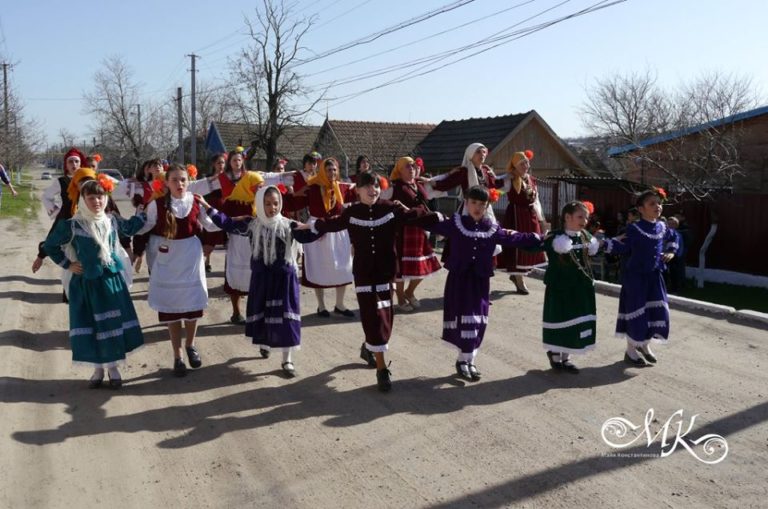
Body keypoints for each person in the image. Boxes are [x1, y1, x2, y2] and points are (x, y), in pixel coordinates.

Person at [298, 171, 440, 392]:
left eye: (375, 186)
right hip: (363, 272)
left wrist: (433, 216)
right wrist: (310, 227)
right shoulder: (351, 212)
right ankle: (381, 370)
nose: (372, 190)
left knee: (384, 315)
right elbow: (332, 224)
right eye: (367, 187)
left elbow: (416, 215)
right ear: (357, 190)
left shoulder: (390, 208)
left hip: (386, 271)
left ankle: (368, 347)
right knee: (370, 314)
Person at [422, 186, 542, 381]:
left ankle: (469, 360)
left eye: (482, 204)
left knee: (477, 319)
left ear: (487, 206)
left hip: (480, 281)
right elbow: (428, 222)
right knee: (464, 318)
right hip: (459, 281)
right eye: (473, 203)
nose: (477, 207)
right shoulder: (456, 223)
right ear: (466, 203)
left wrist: (540, 238)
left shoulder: (491, 228)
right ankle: (463, 360)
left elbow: (513, 238)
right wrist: (404, 212)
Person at [201, 185, 317, 377]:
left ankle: (287, 359)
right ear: (260, 204)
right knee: (264, 313)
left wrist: (320, 226)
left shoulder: (289, 225)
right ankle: (265, 344)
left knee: (286, 318)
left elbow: (309, 235)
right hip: (262, 278)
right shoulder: (252, 224)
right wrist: (207, 206)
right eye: (268, 203)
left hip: (284, 280)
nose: (273, 208)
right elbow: (227, 223)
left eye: (276, 203)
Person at [43, 176, 147, 389]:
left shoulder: (111, 220)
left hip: (111, 281)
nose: (97, 201)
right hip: (87, 284)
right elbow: (50, 245)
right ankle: (98, 369)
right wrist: (68, 264)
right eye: (91, 197)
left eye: (100, 196)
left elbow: (130, 228)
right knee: (94, 325)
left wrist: (145, 210)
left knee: (111, 324)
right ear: (83, 199)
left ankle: (113, 368)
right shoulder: (73, 225)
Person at [134, 163, 221, 377]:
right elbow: (144, 228)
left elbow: (211, 225)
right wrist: (134, 245)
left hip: (190, 257)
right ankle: (177, 355)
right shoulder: (156, 205)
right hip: (167, 259)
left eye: (183, 179)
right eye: (174, 180)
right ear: (166, 182)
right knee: (172, 307)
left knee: (191, 306)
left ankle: (190, 345)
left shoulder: (197, 202)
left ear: (189, 181)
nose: (179, 183)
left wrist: (227, 218)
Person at [604, 189, 677, 366]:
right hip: (635, 278)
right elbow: (624, 246)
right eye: (652, 203)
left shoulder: (662, 226)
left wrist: (671, 252)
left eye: (659, 203)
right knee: (636, 312)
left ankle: (644, 345)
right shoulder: (634, 228)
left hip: (654, 276)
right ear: (641, 209)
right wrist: (605, 244)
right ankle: (631, 350)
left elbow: (674, 237)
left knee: (654, 311)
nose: (657, 206)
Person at [288, 157, 356, 318]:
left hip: (338, 231)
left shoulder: (342, 188)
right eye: (328, 170)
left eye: (334, 170)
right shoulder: (312, 187)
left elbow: (361, 195)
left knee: (342, 268)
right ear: (322, 171)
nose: (331, 173)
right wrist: (291, 194)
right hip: (317, 230)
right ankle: (321, 306)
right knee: (319, 267)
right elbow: (295, 203)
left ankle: (339, 304)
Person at [541, 201, 601, 374]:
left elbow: (591, 252)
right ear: (567, 217)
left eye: (586, 217)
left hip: (581, 287)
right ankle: (554, 352)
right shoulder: (555, 237)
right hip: (560, 288)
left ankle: (566, 358)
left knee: (575, 320)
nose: (584, 221)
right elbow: (537, 246)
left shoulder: (585, 236)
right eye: (580, 216)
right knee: (560, 318)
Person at [425, 142, 504, 262]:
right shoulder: (464, 171)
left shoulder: (486, 171)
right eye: (478, 152)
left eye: (484, 152)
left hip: (485, 209)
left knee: (486, 236)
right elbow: (447, 183)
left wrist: (511, 176)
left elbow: (496, 184)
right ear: (470, 155)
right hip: (468, 209)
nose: (482, 154)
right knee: (465, 237)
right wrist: (431, 182)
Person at [390, 156, 441, 311]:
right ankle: (399, 299)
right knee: (402, 269)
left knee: (422, 266)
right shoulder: (396, 187)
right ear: (399, 170)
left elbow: (426, 202)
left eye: (413, 166)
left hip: (419, 229)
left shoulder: (417, 185)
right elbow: (394, 208)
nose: (411, 168)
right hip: (403, 231)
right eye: (407, 166)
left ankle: (409, 292)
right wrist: (416, 211)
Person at [498, 150, 547, 294]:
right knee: (517, 248)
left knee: (530, 246)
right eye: (522, 163)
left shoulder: (531, 179)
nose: (526, 165)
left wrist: (541, 219)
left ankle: (518, 276)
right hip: (515, 216)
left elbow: (536, 201)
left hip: (530, 216)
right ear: (515, 166)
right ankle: (519, 279)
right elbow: (493, 184)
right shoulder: (509, 179)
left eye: (526, 162)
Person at [200, 153, 228, 273]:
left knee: (226, 234)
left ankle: (228, 265)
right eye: (218, 163)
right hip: (212, 205)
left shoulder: (228, 176)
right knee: (210, 235)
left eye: (222, 163)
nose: (221, 165)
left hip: (226, 206)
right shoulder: (209, 177)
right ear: (213, 165)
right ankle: (206, 261)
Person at [665, 216, 686, 293]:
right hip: (665, 256)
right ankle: (667, 287)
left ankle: (676, 289)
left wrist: (677, 255)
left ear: (676, 225)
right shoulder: (665, 233)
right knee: (665, 273)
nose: (670, 225)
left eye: (672, 224)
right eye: (669, 223)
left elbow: (681, 246)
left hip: (675, 257)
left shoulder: (677, 235)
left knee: (675, 273)